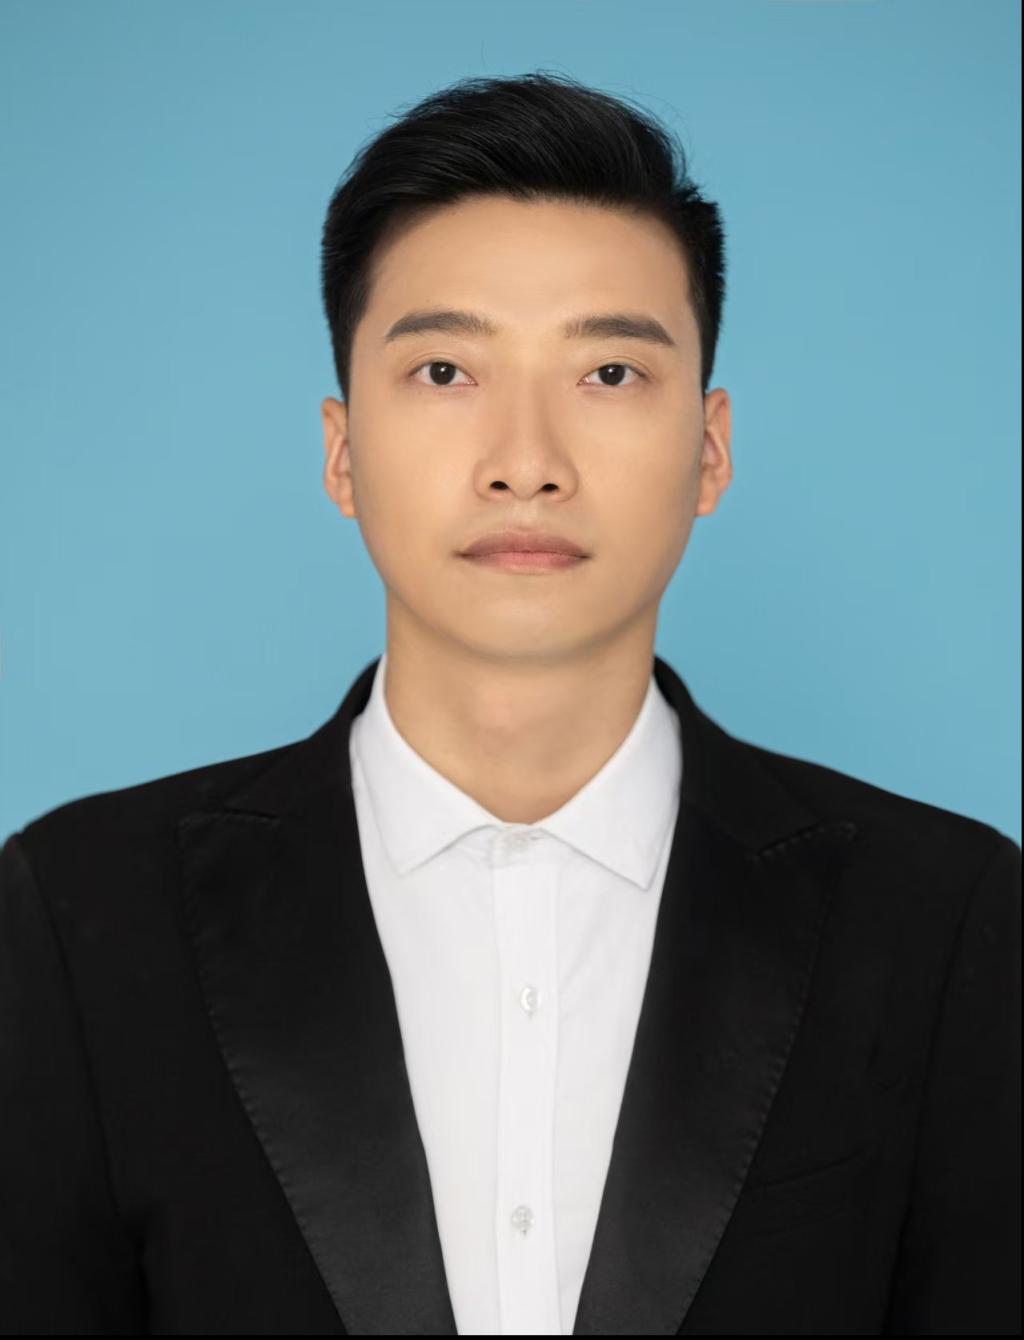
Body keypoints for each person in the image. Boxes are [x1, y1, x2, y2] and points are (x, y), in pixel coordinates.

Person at [1, 70, 1019, 1336]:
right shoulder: (77, 912)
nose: (525, 462)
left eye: (608, 372)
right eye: (444, 370)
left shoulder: (947, 919)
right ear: (341, 451)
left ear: (709, 449)